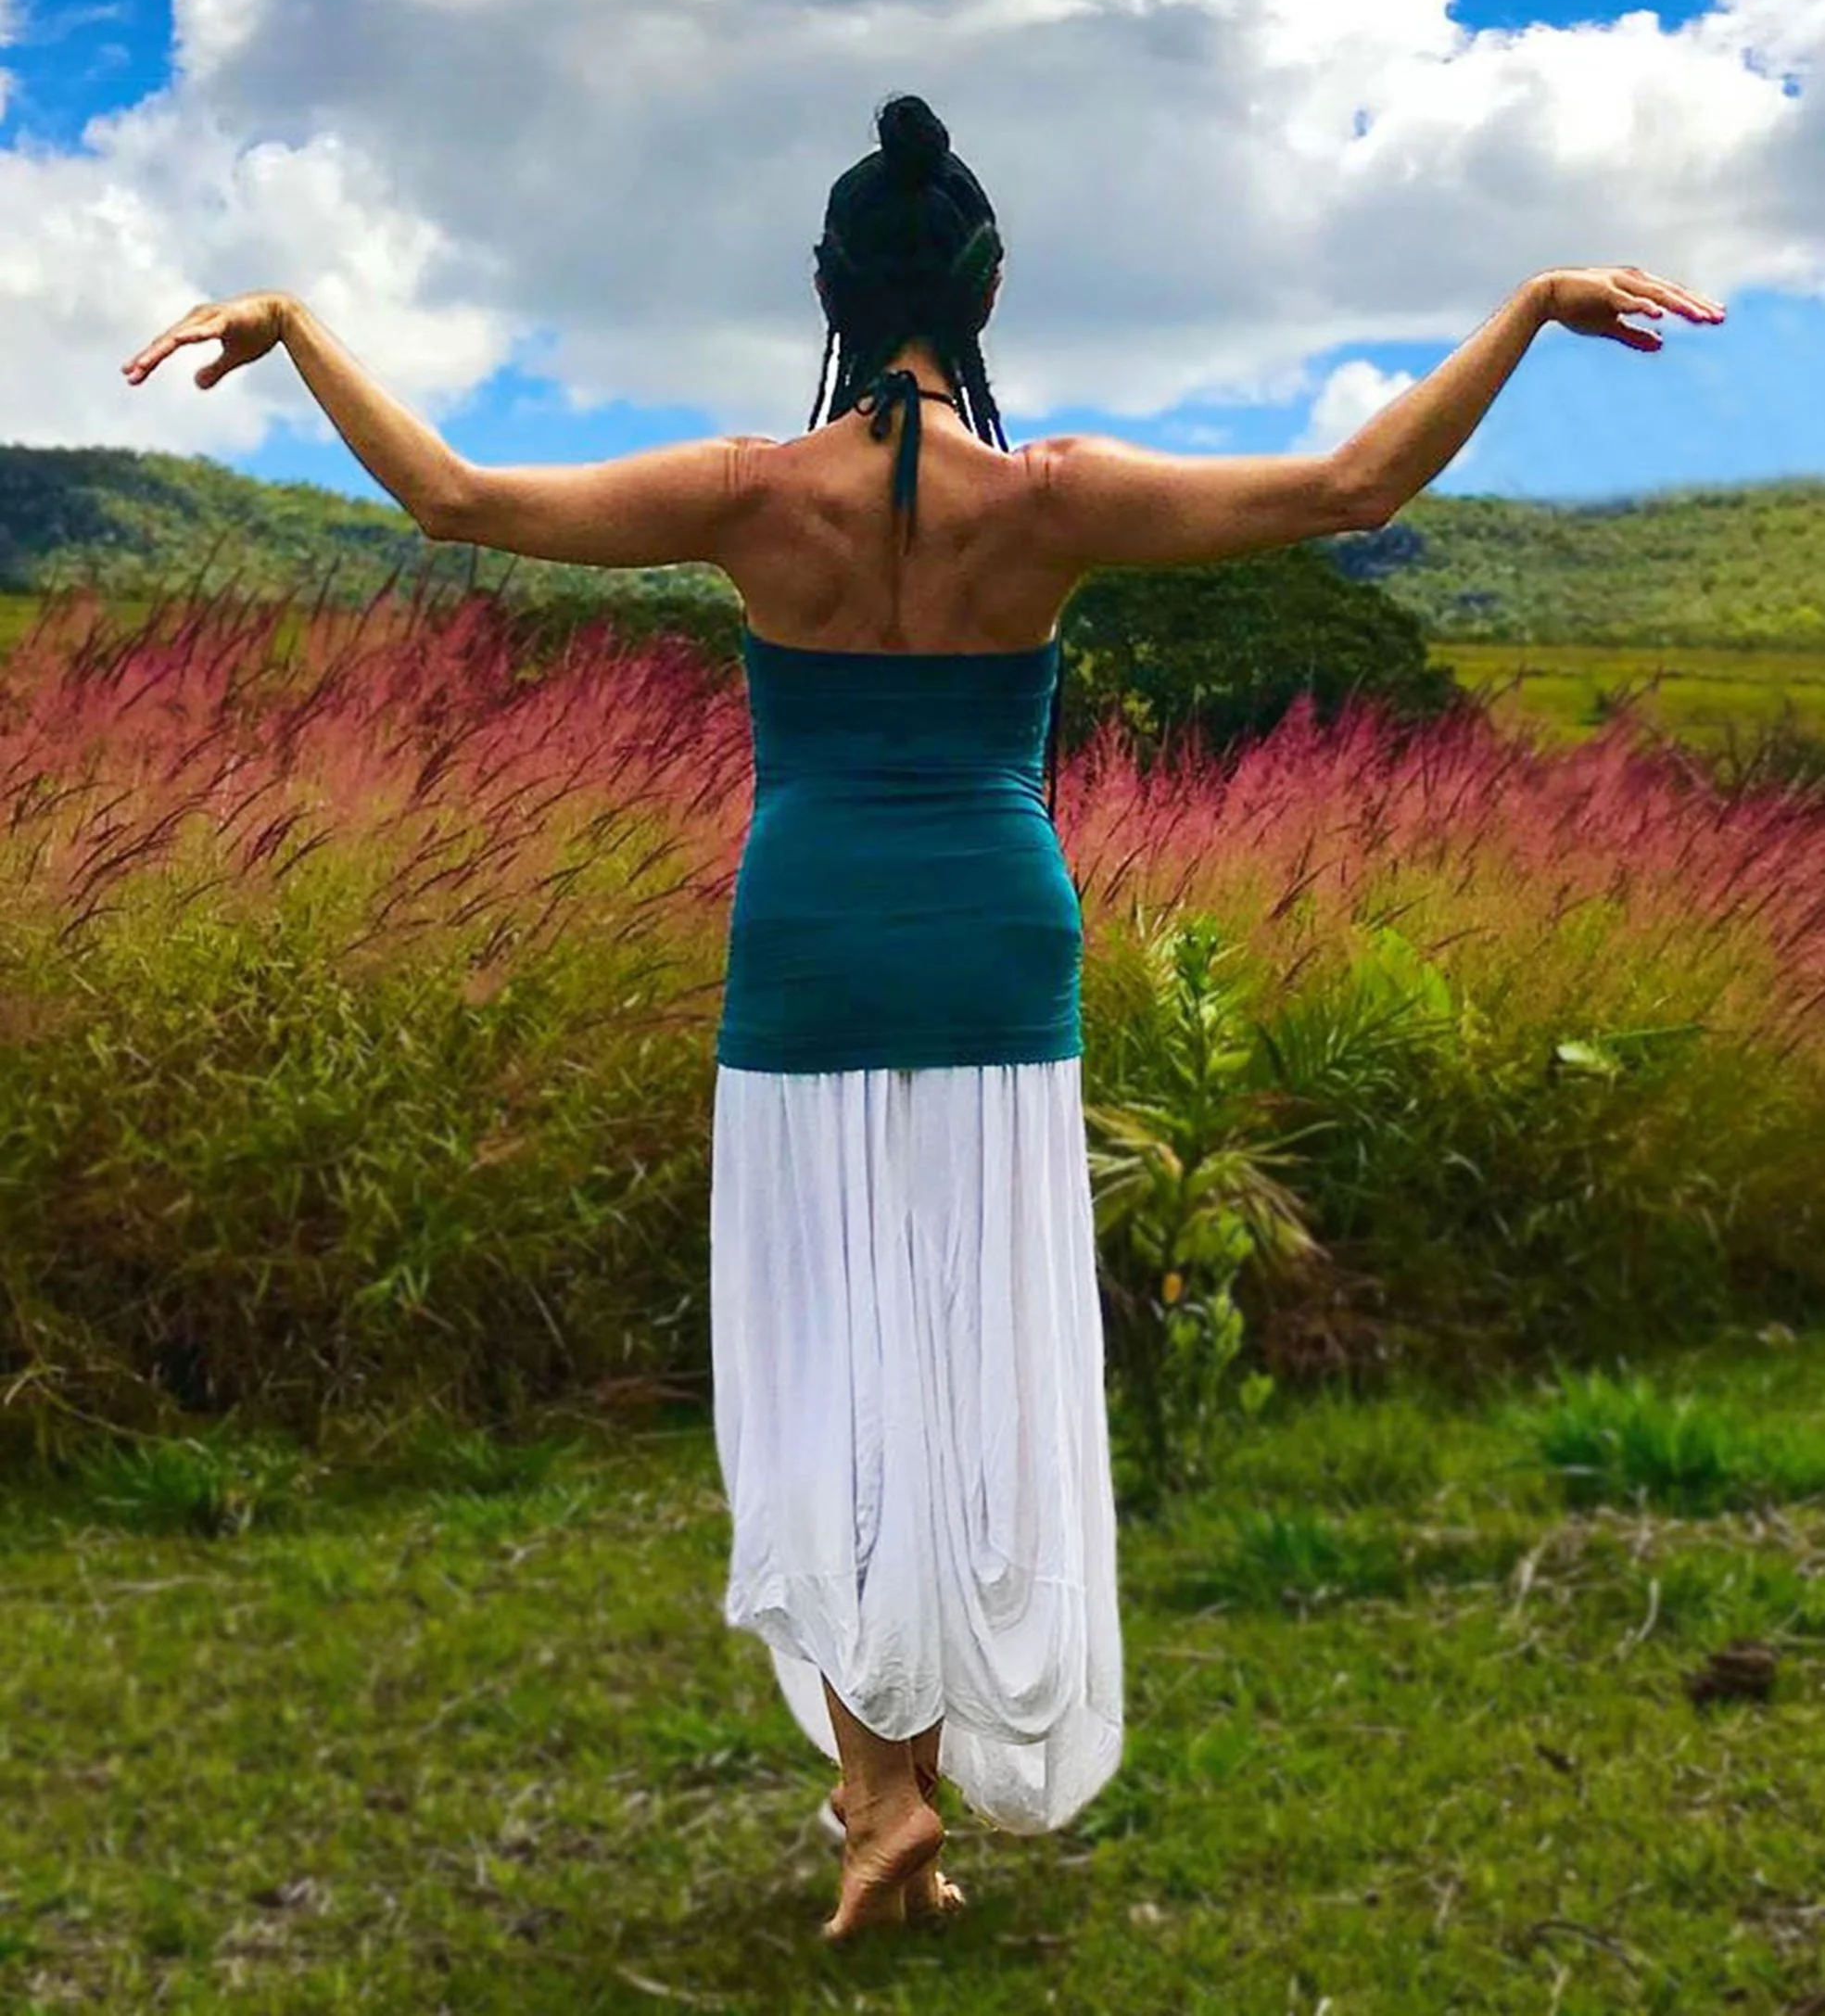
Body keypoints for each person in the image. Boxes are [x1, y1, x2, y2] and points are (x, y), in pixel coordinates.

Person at [120, 100, 1724, 1946]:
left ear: (828, 289)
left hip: (809, 948)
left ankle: (884, 1789)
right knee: (968, 1357)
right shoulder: (1051, 500)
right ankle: (899, 1794)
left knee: (835, 1364)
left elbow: (459, 501)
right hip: (992, 948)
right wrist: (1526, 307)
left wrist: (298, 325)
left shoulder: (748, 491)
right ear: (986, 293)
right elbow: (1351, 487)